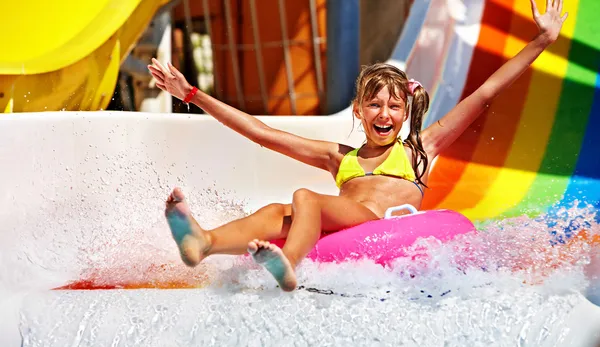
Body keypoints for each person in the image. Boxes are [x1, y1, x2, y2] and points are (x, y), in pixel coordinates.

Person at [148, 0, 567, 292]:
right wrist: (193, 96)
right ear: (359, 111)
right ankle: (204, 243)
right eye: (374, 104)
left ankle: (289, 265)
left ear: (405, 113)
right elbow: (262, 133)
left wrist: (541, 41)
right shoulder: (340, 157)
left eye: (394, 106)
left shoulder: (421, 148)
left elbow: (486, 92)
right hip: (340, 226)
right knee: (278, 212)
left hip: (378, 226)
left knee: (304, 197)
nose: (384, 113)